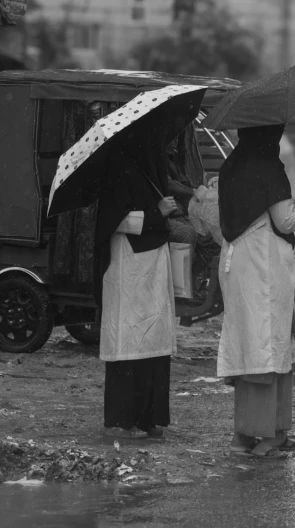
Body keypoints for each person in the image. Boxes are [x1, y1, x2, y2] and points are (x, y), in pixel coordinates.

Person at [216, 124, 295, 459]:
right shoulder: (268, 167)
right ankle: (270, 434)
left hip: (238, 262)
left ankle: (243, 434)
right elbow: (285, 221)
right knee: (269, 346)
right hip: (263, 264)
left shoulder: (232, 165)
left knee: (249, 344)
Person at [94, 119, 180, 440]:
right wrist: (156, 213)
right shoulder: (119, 169)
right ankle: (122, 420)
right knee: (129, 341)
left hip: (152, 265)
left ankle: (148, 418)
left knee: (153, 342)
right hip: (127, 268)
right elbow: (112, 220)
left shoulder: (148, 169)